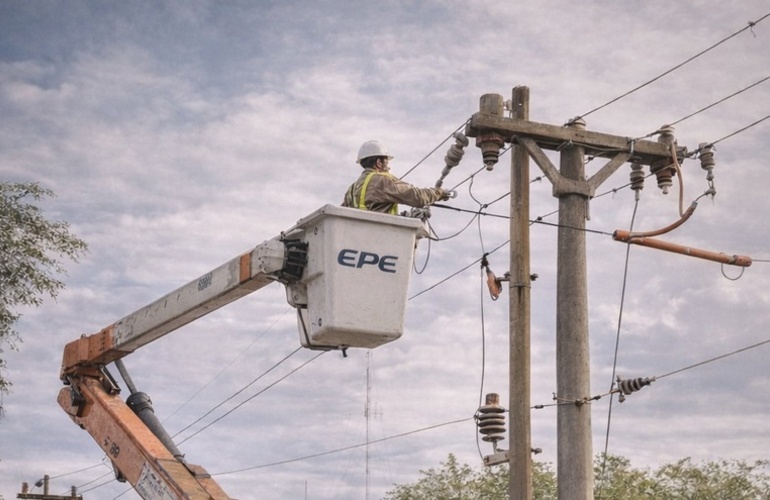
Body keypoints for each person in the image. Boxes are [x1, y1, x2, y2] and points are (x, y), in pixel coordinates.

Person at [342, 140, 450, 214]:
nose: (388, 167)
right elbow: (417, 197)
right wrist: (439, 193)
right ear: (379, 163)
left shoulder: (351, 190)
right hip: (381, 239)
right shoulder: (382, 181)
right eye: (387, 162)